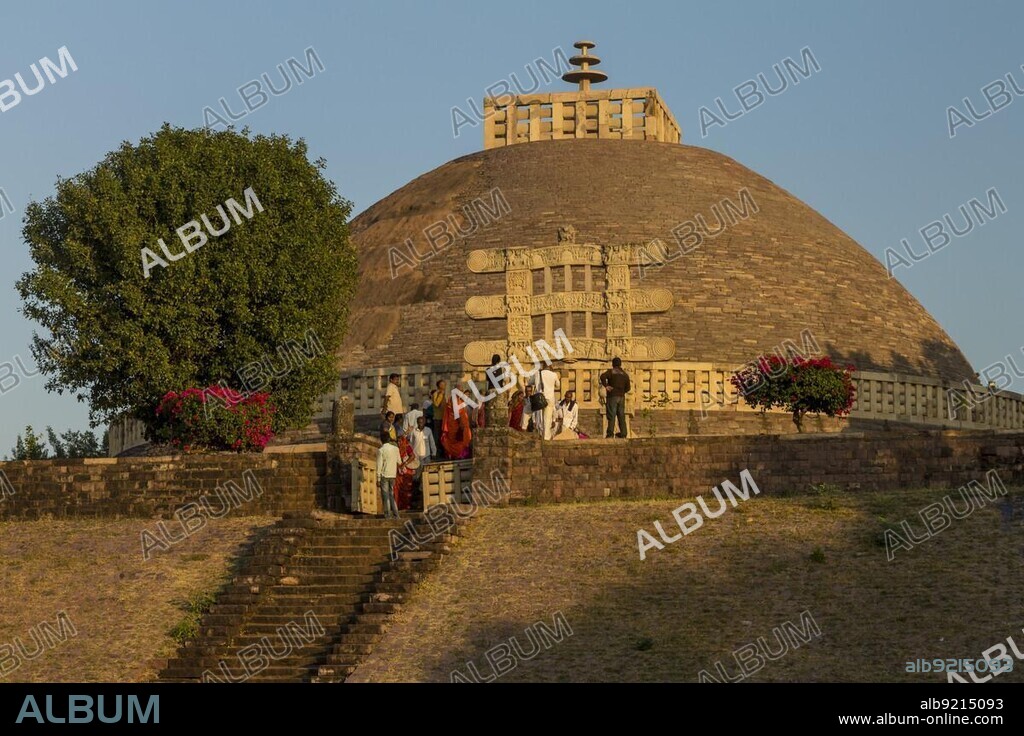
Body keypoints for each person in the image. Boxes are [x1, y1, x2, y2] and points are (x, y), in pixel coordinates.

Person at [600, 357, 631, 438]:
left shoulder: (611, 372)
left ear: (613, 364)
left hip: (612, 396)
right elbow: (628, 388)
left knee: (612, 415)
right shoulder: (625, 374)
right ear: (620, 364)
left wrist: (606, 386)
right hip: (621, 397)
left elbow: (602, 376)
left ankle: (610, 434)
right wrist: (621, 391)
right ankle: (623, 434)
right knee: (621, 415)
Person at [440, 385, 473, 459]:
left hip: (460, 423)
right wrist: (461, 424)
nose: (461, 392)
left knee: (462, 439)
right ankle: (458, 455)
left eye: (462, 391)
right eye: (459, 391)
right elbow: (456, 413)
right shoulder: (454, 399)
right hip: (456, 424)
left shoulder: (457, 399)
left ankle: (458, 455)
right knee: (458, 440)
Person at [530, 361, 560, 440]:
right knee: (547, 419)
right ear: (550, 366)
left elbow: (530, 382)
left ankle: (540, 435)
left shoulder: (537, 374)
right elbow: (558, 385)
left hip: (539, 398)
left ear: (543, 365)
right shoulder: (553, 374)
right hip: (549, 398)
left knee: (539, 417)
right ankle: (546, 437)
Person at [376, 431, 401, 519]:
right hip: (393, 474)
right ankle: (396, 514)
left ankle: (387, 514)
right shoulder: (396, 449)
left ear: (381, 440)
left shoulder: (381, 450)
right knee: (391, 494)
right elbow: (399, 461)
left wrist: (378, 478)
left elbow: (379, 465)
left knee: (385, 495)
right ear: (389, 439)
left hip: (384, 474)